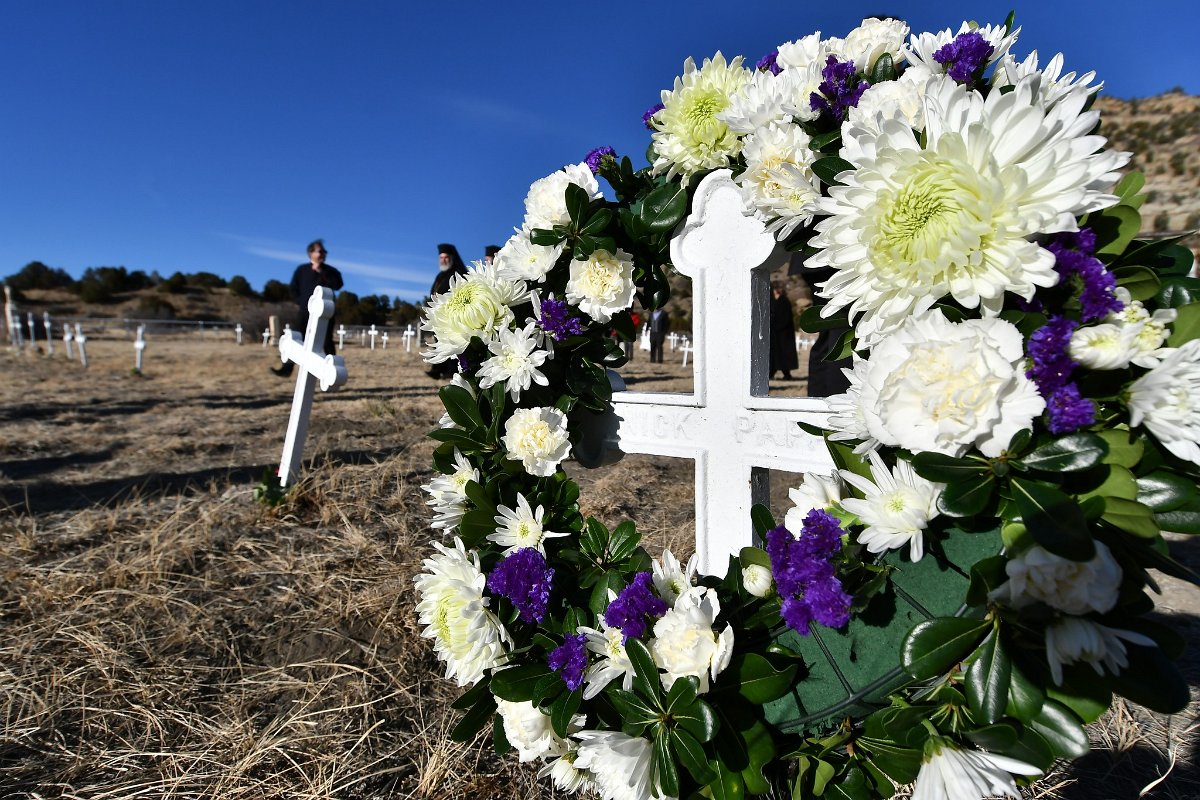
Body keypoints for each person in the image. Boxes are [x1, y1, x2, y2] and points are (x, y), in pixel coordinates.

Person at [272, 239, 344, 377]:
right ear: (311, 253)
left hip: (325, 313)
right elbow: (293, 288)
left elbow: (338, 285)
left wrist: (322, 273)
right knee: (295, 338)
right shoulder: (302, 270)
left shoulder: (330, 271)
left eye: (324, 252)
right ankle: (286, 369)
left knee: (326, 341)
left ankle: (331, 372)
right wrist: (301, 302)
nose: (323, 254)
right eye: (320, 251)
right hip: (305, 312)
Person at [791, 254, 851, 396]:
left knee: (829, 332)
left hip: (819, 260)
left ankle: (821, 397)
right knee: (841, 329)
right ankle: (838, 397)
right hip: (831, 259)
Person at [427, 243, 468, 378]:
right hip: (438, 314)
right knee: (439, 342)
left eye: (446, 258)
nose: (443, 260)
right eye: (441, 258)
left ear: (452, 258)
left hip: (452, 315)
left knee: (453, 344)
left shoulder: (458, 273)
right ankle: (438, 369)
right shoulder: (440, 276)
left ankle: (452, 371)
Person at [768, 281, 799, 381]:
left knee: (784, 356)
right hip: (774, 334)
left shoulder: (784, 301)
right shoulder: (771, 301)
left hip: (784, 334)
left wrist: (778, 326)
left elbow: (786, 317)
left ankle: (787, 374)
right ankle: (770, 373)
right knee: (774, 356)